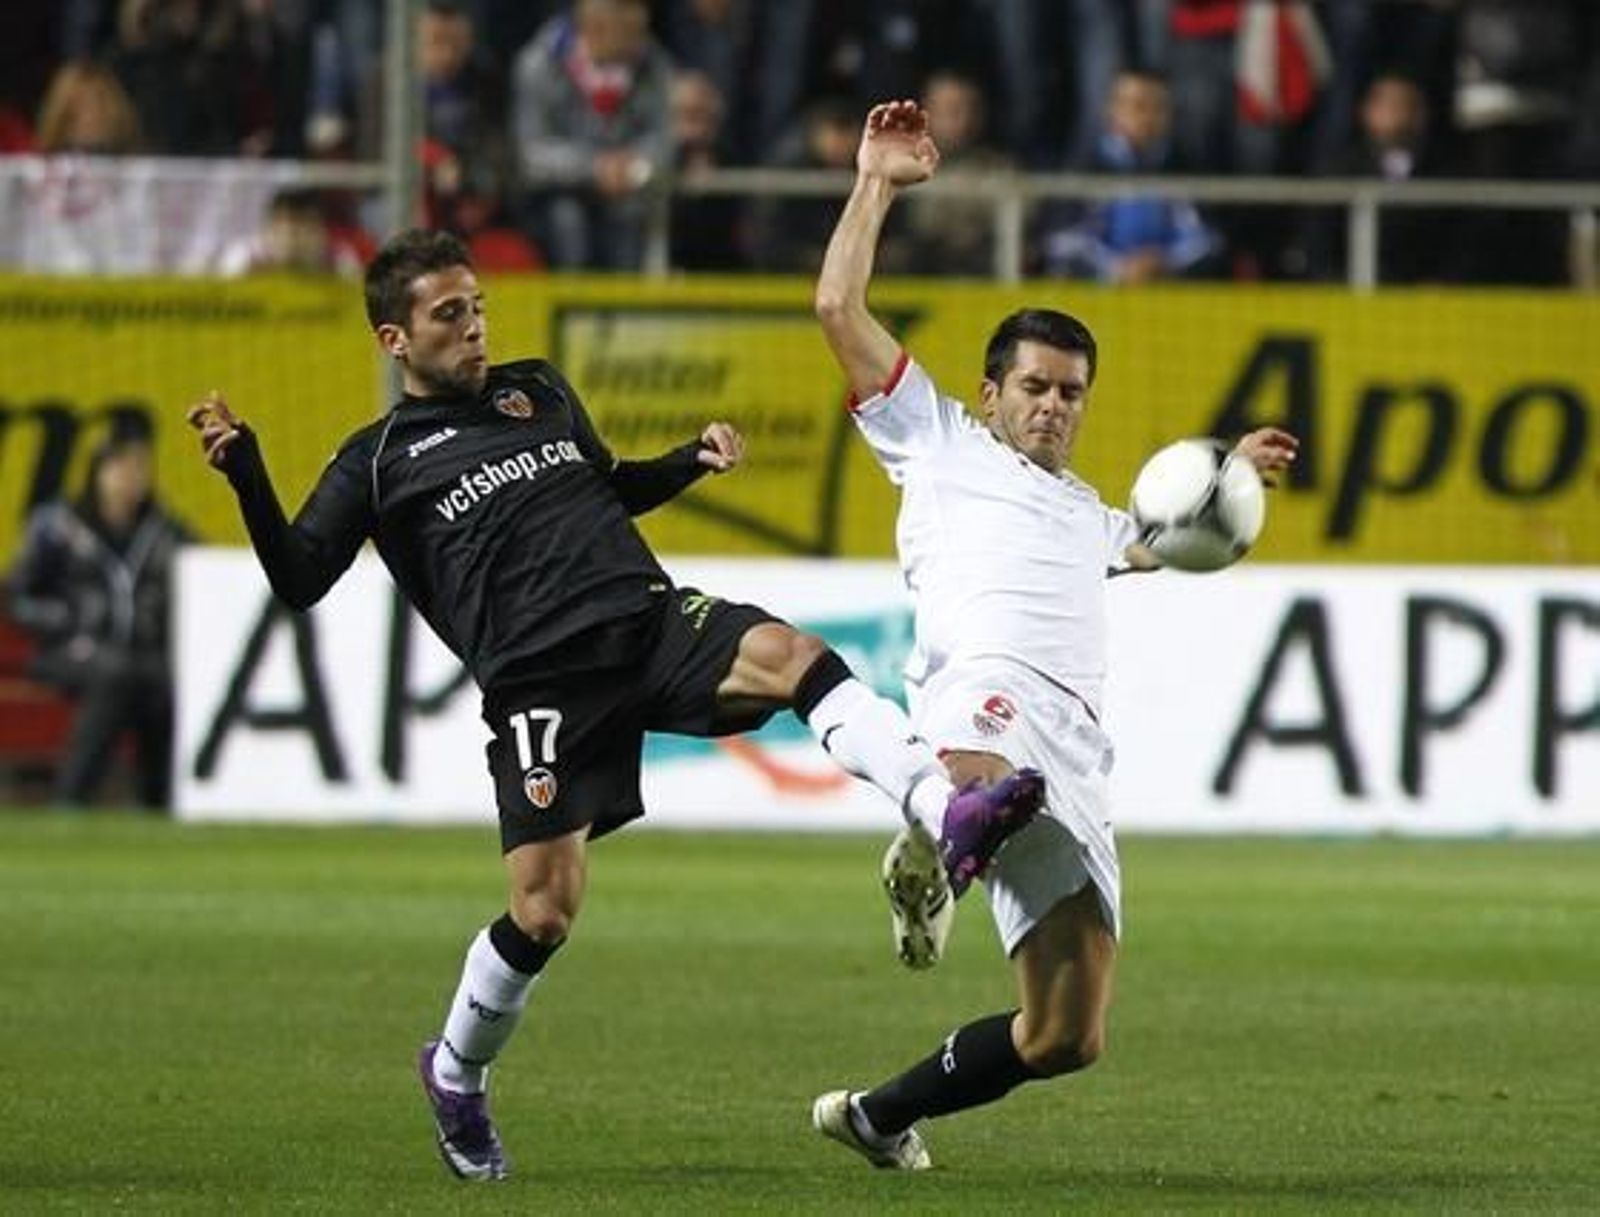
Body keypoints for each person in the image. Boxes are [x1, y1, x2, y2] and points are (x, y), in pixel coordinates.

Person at [185, 226, 1046, 1182]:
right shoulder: (376, 462)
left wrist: (687, 460)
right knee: (545, 912)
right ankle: (457, 1070)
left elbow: (606, 487)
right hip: (540, 684)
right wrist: (249, 474)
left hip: (646, 619)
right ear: (395, 340)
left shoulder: (539, 387)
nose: (474, 328)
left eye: (477, 306)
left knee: (796, 657)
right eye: (449, 315)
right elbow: (302, 578)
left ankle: (942, 810)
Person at [808, 99, 1298, 1170]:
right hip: (983, 691)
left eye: (1070, 392)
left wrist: (1230, 477)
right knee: (980, 755)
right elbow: (837, 304)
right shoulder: (931, 438)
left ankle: (878, 1113)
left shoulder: (1090, 515)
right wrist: (877, 182)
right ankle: (939, 824)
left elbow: (1168, 542)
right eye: (1032, 386)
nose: (1051, 406)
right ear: (989, 392)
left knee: (1065, 1034)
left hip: (1071, 751)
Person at [6, 417, 191, 808]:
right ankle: (70, 796)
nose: (131, 478)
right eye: (121, 466)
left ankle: (158, 801)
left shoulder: (162, 530)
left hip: (138, 654)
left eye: (140, 467)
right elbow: (18, 598)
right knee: (114, 673)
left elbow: (200, 576)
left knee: (158, 680)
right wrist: (69, 621)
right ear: (98, 471)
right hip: (66, 650)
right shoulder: (58, 527)